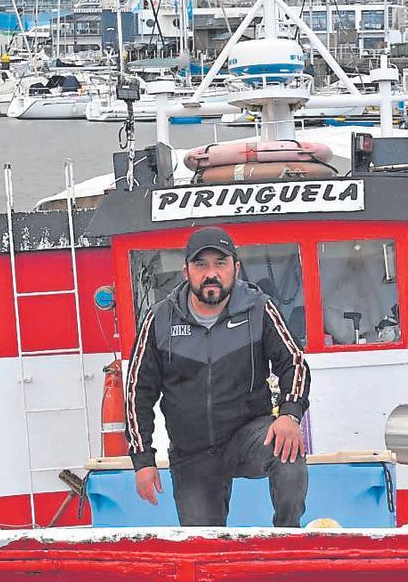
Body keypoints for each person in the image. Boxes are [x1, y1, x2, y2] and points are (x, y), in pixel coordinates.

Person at [125, 226, 310, 527]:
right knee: (203, 547)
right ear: (186, 271)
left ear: (235, 268)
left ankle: (288, 541)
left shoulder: (259, 309)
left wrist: (290, 415)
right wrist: (142, 461)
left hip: (248, 436)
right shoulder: (159, 320)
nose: (211, 273)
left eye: (220, 264)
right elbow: (137, 392)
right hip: (192, 452)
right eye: (201, 265)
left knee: (288, 451)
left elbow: (294, 363)